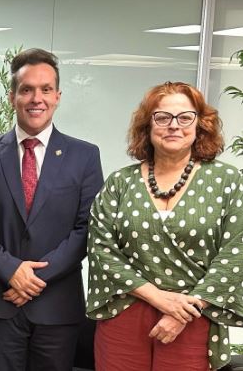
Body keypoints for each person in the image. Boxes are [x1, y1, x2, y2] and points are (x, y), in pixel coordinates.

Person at [87, 81, 243, 371]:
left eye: (185, 117)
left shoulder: (227, 181)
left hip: (193, 315)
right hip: (126, 310)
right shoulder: (121, 182)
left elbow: (237, 251)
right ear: (148, 126)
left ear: (200, 125)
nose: (174, 125)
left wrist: (183, 310)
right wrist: (158, 298)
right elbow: (101, 248)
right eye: (162, 117)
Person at [0, 48, 104, 371]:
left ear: (58, 96)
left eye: (45, 89)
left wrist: (34, 277)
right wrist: (10, 270)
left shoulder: (84, 156)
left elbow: (87, 229)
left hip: (57, 307)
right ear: (11, 96)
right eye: (26, 89)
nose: (36, 98)